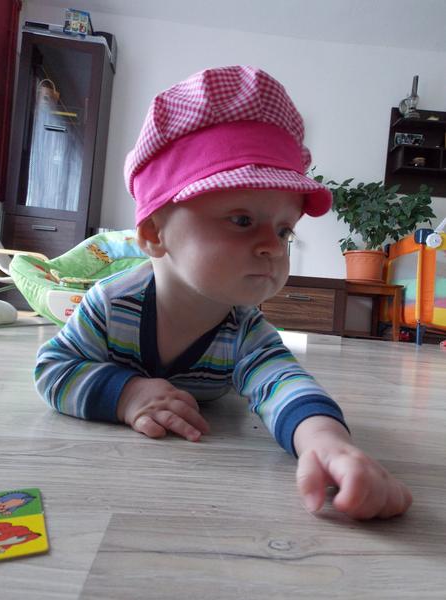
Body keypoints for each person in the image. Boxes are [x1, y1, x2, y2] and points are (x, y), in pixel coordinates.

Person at [35, 66, 412, 520]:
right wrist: (126, 394)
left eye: (285, 230)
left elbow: (284, 382)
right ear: (154, 234)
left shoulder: (245, 332)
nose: (273, 246)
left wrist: (326, 442)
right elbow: (53, 369)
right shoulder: (111, 305)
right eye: (242, 220)